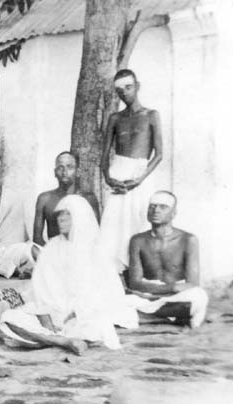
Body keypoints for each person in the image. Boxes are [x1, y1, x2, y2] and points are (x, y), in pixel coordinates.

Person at [0, 195, 139, 355]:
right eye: (60, 215)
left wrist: (74, 314)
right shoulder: (52, 247)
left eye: (68, 215)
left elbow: (104, 293)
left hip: (81, 316)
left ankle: (46, 339)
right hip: (51, 314)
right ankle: (63, 341)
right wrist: (46, 318)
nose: (62, 219)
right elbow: (40, 289)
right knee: (9, 318)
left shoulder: (95, 251)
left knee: (97, 327)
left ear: (81, 218)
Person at [99, 69, 163, 271]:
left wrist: (139, 179)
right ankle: (115, 274)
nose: (124, 93)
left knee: (139, 220)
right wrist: (108, 177)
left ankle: (138, 272)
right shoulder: (115, 118)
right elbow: (105, 154)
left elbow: (159, 154)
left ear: (137, 86)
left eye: (128, 87)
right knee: (114, 225)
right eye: (119, 90)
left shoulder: (151, 115)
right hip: (118, 174)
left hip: (140, 175)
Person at [126, 191, 208, 328]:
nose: (156, 210)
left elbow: (192, 283)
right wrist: (163, 291)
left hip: (177, 296)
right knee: (121, 302)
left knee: (198, 297)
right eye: (152, 206)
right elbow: (135, 282)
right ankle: (166, 318)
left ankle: (149, 317)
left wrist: (166, 292)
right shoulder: (137, 240)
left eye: (163, 207)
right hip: (147, 295)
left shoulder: (188, 239)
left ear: (173, 213)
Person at [34, 151, 100, 246]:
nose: (64, 172)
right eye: (60, 168)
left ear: (78, 172)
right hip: (54, 254)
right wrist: (49, 254)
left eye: (69, 167)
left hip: (81, 255)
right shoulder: (44, 199)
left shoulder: (88, 198)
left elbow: (96, 235)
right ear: (55, 172)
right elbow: (37, 238)